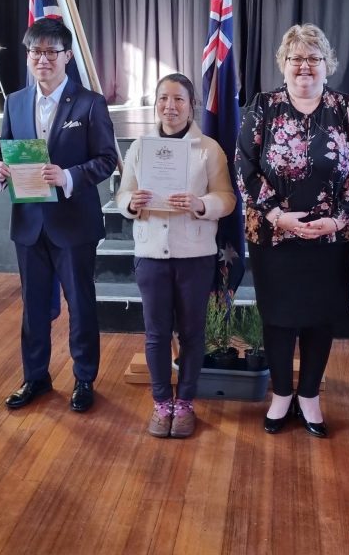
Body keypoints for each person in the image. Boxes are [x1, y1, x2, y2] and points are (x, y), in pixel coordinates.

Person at [236, 23, 349, 438]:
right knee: (277, 317)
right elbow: (245, 166)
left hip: (330, 236)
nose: (305, 66)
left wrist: (337, 219)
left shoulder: (348, 109)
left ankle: (309, 395)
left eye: (314, 58)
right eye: (296, 58)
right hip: (273, 234)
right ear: (284, 64)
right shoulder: (263, 105)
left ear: (327, 64)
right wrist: (277, 215)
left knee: (320, 317)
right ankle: (281, 395)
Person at [0, 18, 119, 413]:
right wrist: (0, 171)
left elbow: (106, 160)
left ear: (67, 56)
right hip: (29, 223)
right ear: (27, 56)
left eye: (51, 51)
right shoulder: (14, 102)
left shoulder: (89, 103)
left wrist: (68, 176)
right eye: (35, 51)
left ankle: (84, 378)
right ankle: (35, 376)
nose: (42, 59)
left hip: (73, 223)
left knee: (80, 304)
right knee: (32, 307)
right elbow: (5, 151)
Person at [115, 74, 237, 438]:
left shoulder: (209, 148)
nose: (170, 106)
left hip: (194, 254)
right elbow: (123, 195)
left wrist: (201, 204)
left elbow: (227, 199)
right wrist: (131, 204)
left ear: (191, 105)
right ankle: (161, 403)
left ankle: (184, 403)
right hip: (151, 254)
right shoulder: (139, 146)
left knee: (192, 333)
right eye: (163, 99)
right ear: (155, 103)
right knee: (155, 333)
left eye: (179, 99)